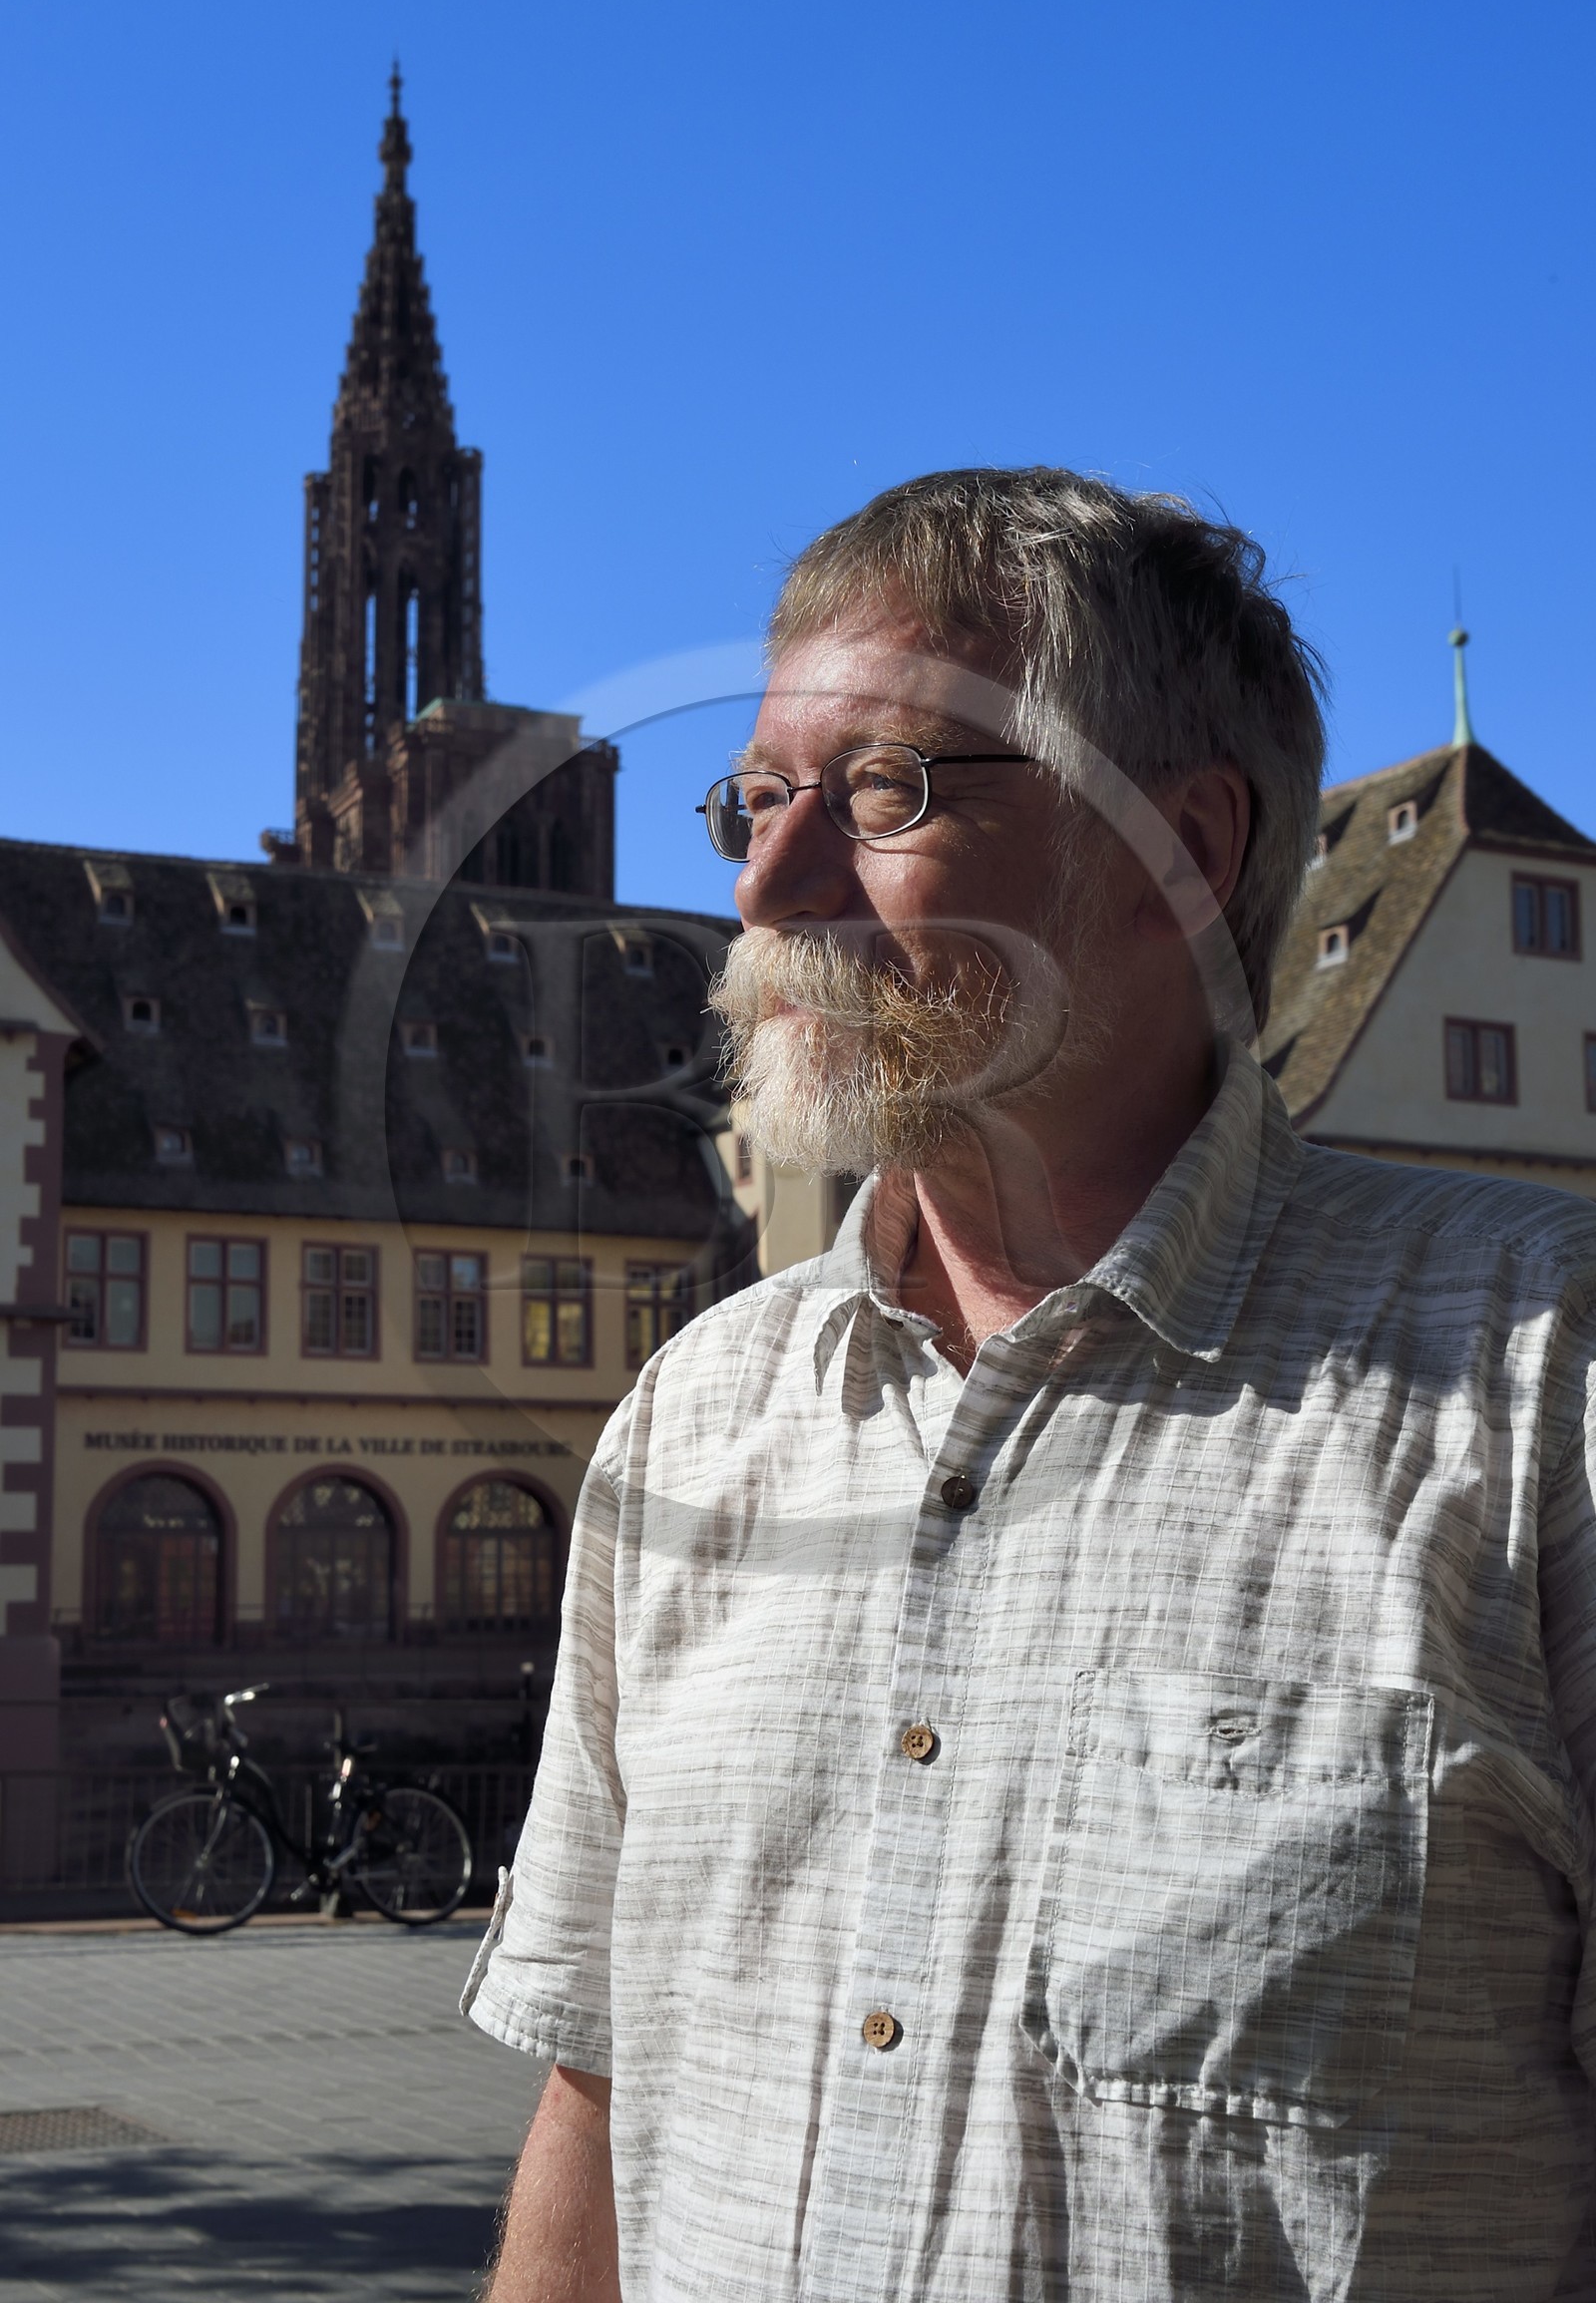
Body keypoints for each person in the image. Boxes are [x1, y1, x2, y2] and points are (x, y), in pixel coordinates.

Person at [464, 468, 1596, 2301]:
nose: (765, 882)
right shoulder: (694, 1422)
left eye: (884, 792)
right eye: (752, 801)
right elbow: (597, 2102)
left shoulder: (1539, 1383)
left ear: (1185, 851)